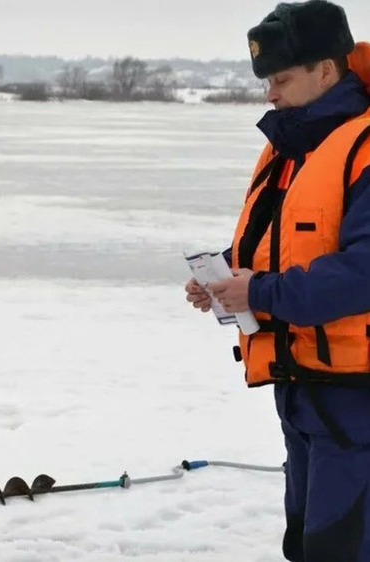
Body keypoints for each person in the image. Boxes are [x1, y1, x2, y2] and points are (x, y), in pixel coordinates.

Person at [184, 1, 370, 560]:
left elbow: (363, 272)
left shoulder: (363, 148)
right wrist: (224, 276)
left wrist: (258, 292)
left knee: (342, 547)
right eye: (266, 80)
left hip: (356, 397)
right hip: (301, 387)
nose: (270, 93)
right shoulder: (289, 148)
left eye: (282, 79)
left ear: (327, 71)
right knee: (307, 544)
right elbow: (278, 247)